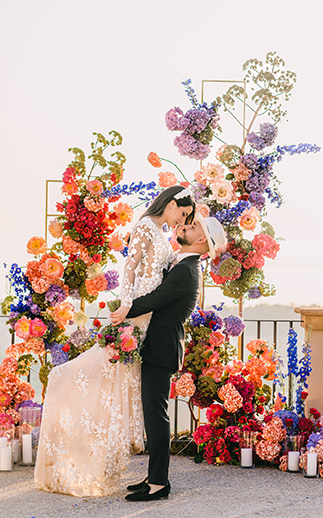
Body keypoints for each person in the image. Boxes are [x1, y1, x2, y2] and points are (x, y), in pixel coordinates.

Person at [34, 186, 196, 497]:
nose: (180, 222)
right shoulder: (146, 224)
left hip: (149, 319)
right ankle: (81, 451)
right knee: (96, 375)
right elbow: (130, 269)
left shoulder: (162, 234)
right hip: (136, 315)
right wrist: (125, 305)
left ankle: (139, 472)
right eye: (182, 214)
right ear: (173, 203)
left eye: (186, 220)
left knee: (120, 387)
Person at [111, 214, 227, 502]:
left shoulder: (187, 271)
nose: (185, 225)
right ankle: (153, 476)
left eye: (192, 225)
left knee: (156, 416)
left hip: (161, 350)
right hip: (158, 347)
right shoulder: (182, 264)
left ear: (201, 240)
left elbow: (155, 300)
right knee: (153, 415)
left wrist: (122, 310)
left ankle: (159, 484)